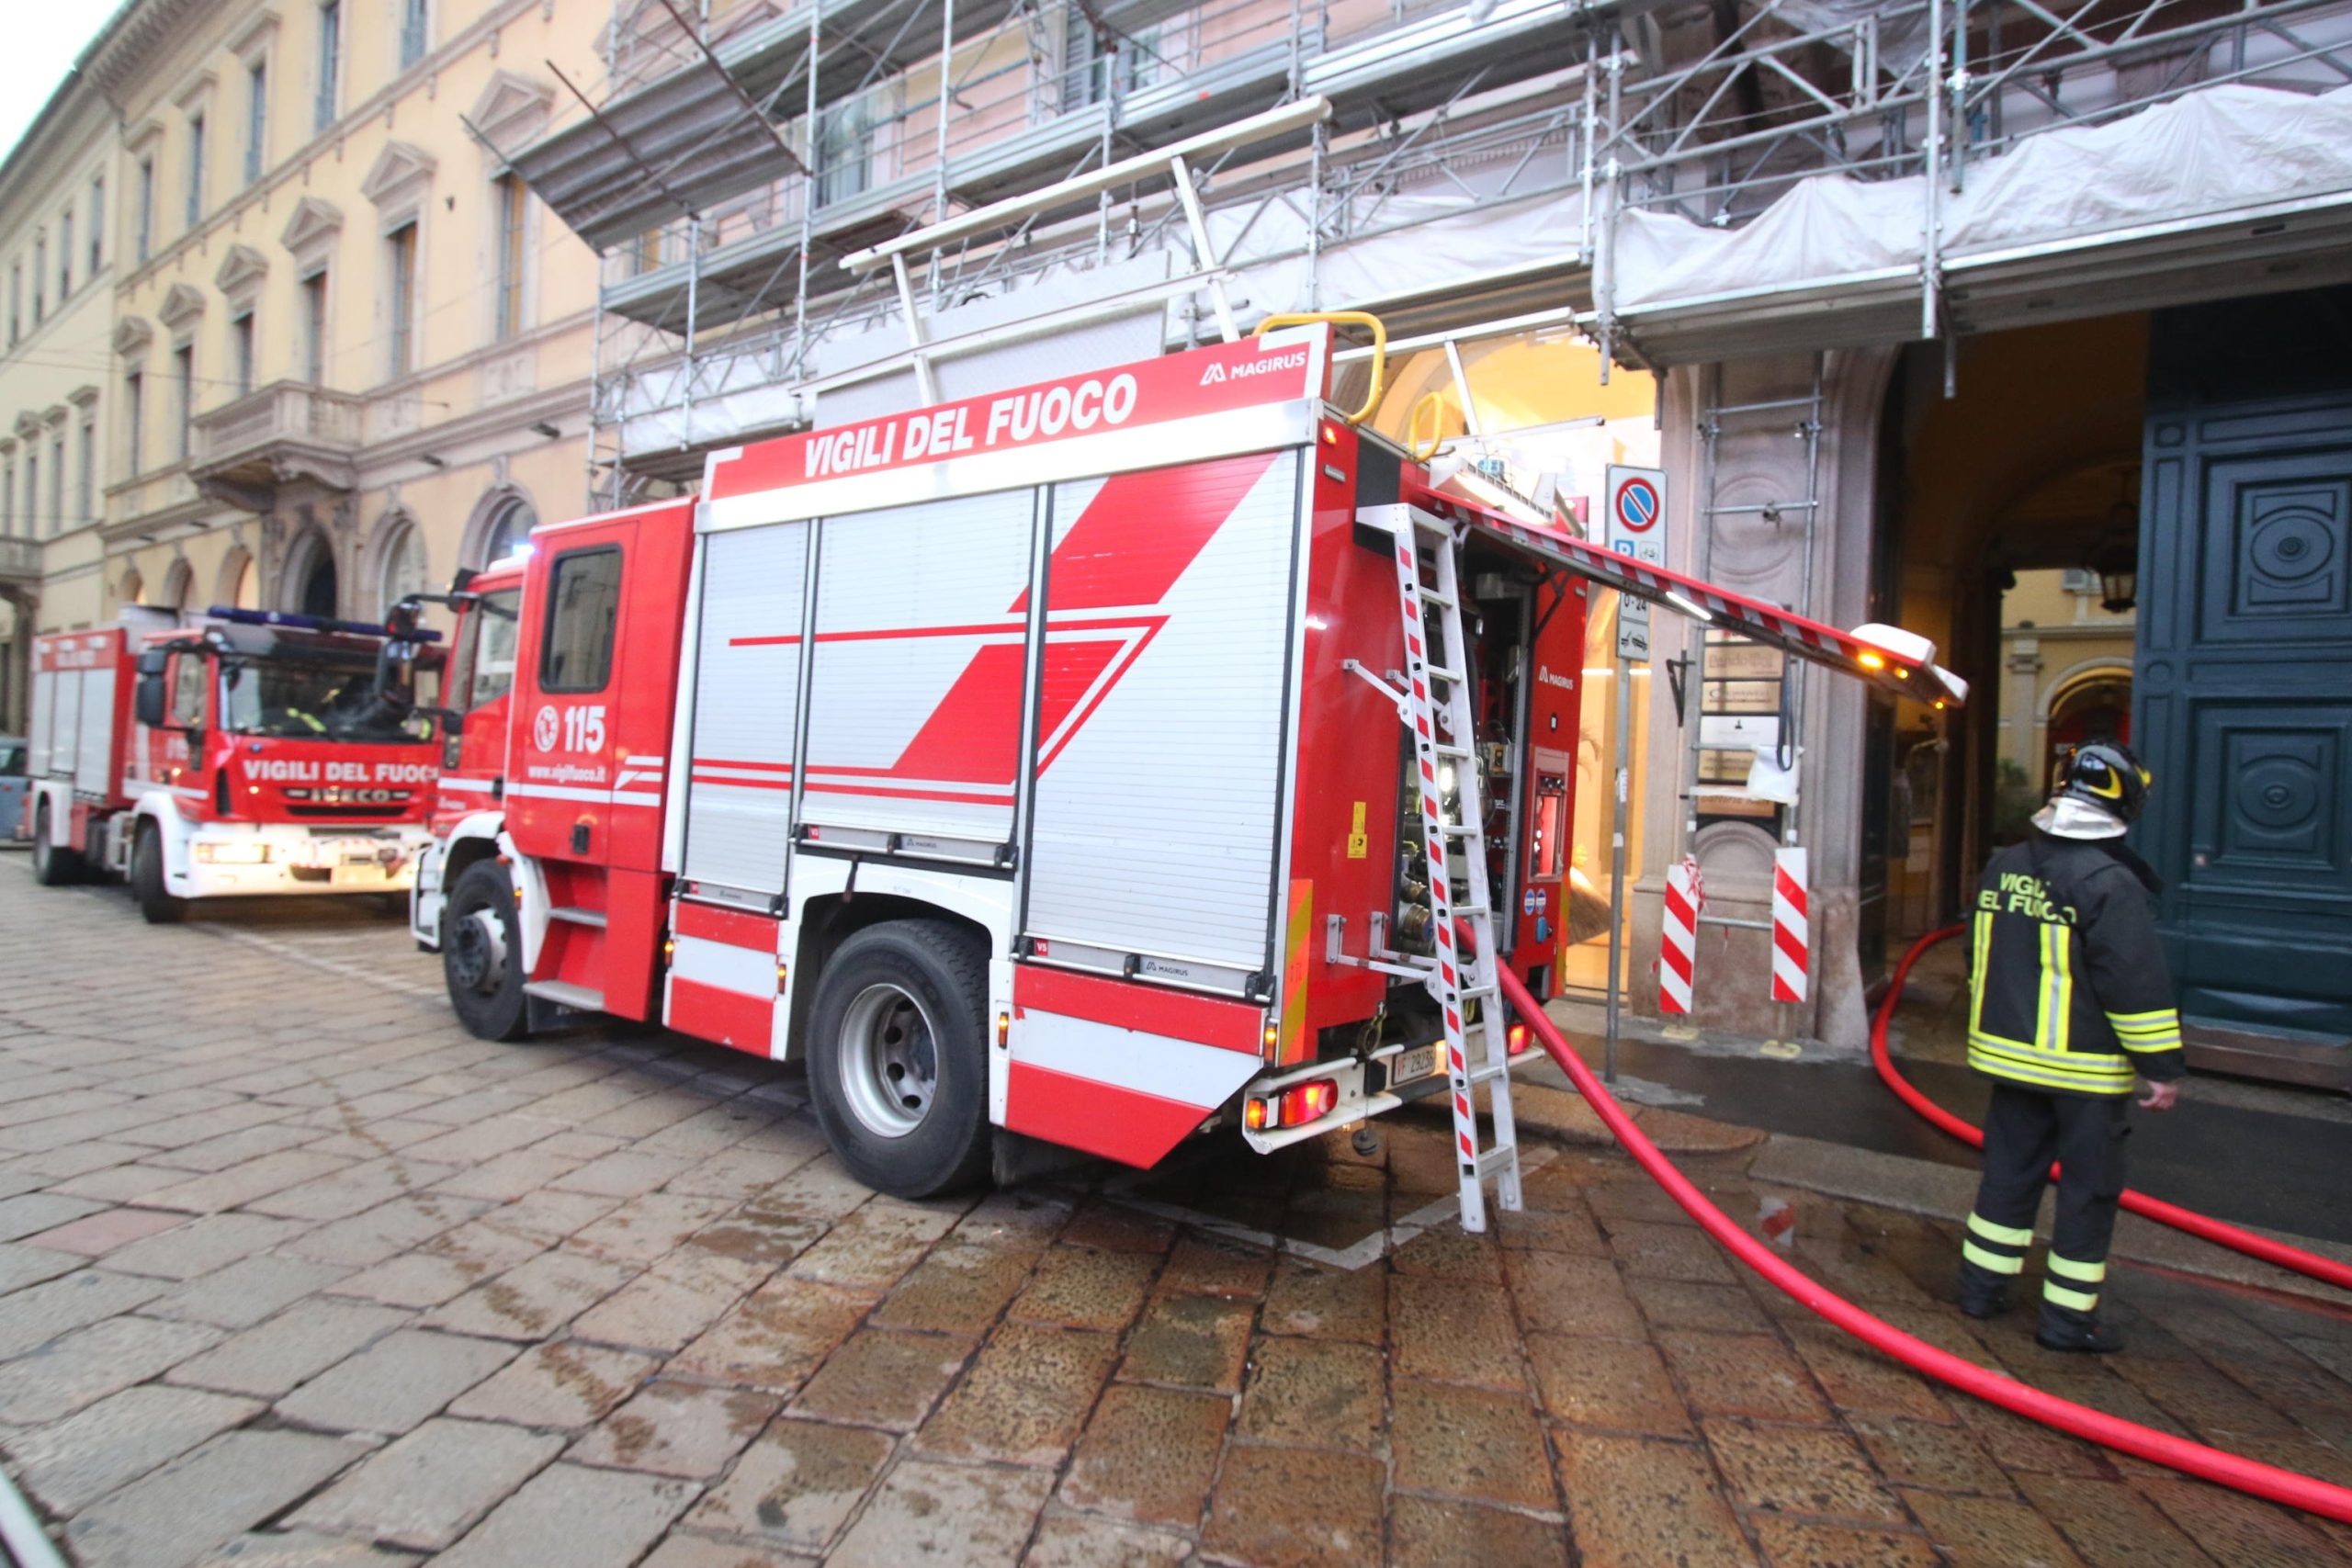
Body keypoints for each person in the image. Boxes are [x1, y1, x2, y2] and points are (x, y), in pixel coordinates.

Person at [1956, 740, 2184, 1353]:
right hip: (2083, 1071)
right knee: (2088, 1191)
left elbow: (1977, 955)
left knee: (2007, 1175)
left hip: (2010, 1058)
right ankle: (2065, 1321)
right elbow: (2134, 981)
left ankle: (1981, 1290)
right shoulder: (2110, 882)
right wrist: (2160, 1068)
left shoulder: (2004, 865)